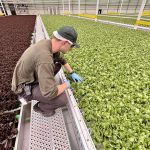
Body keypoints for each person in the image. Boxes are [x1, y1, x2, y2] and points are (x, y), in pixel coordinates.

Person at [11, 26, 83, 117]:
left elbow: (61, 60)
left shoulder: (49, 44)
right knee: (62, 99)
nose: (71, 49)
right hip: (24, 88)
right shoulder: (45, 58)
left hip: (29, 77)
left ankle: (45, 83)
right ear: (65, 42)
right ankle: (41, 108)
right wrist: (66, 85)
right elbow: (50, 93)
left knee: (57, 65)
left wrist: (72, 73)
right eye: (72, 46)